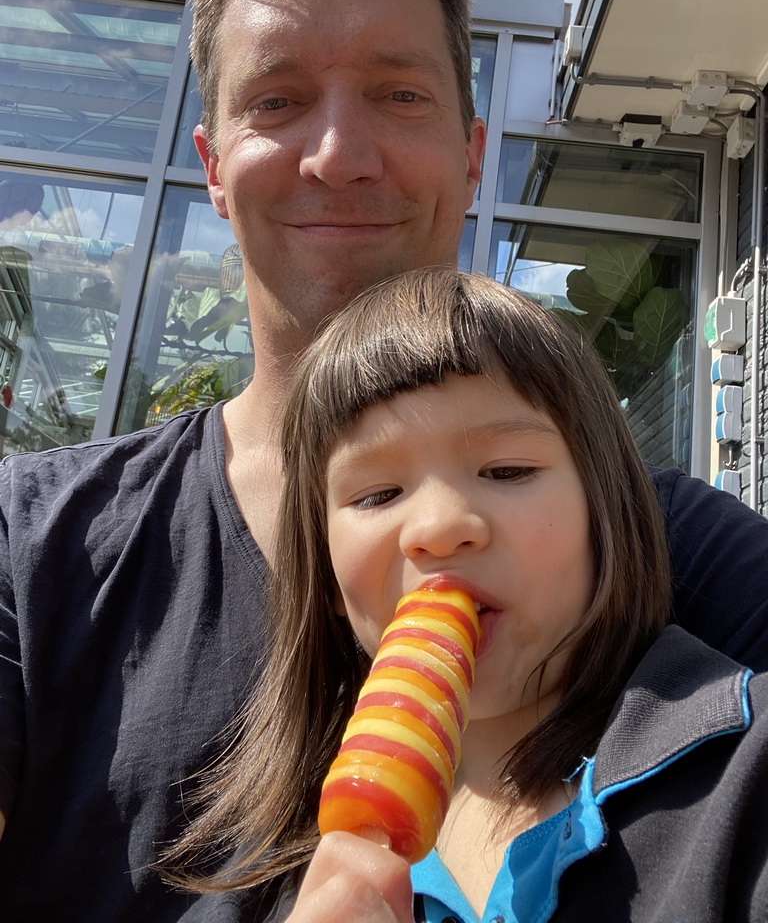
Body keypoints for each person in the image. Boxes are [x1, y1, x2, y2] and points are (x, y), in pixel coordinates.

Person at [0, 0, 766, 920]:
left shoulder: (666, 550)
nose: (338, 154)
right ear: (213, 168)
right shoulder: (31, 546)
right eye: (276, 101)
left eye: (398, 93)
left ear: (471, 151)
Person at [169, 267, 768, 922]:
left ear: (606, 517)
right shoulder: (271, 888)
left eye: (508, 470)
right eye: (376, 494)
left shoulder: (744, 772)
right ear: (331, 582)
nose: (438, 527)